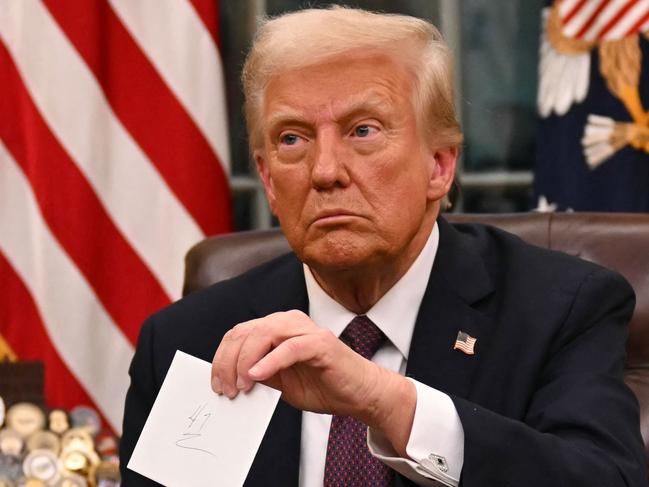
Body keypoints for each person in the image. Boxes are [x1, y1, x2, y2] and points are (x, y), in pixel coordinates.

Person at [119, 6, 646, 487]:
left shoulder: (559, 308)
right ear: (269, 181)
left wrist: (384, 400)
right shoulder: (191, 341)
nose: (325, 171)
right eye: (292, 139)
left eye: (363, 130)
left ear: (439, 164)